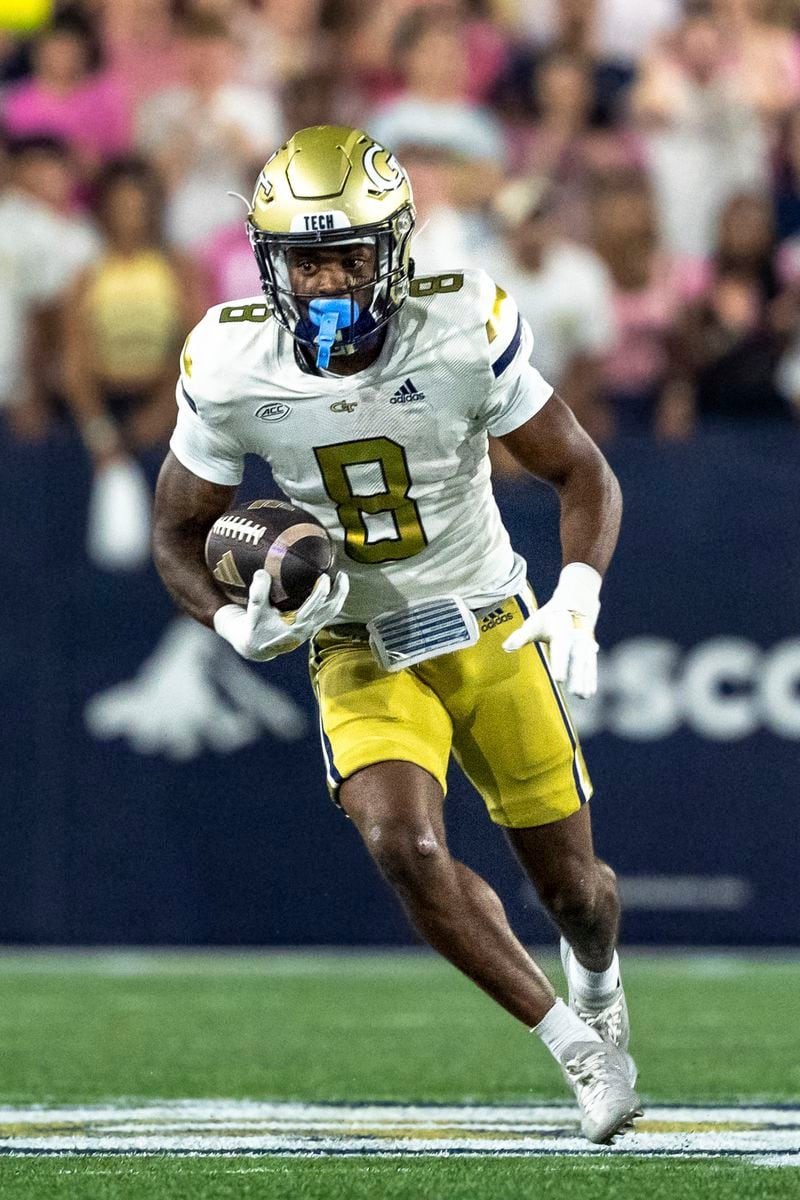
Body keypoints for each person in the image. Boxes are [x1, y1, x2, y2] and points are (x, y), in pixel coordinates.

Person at [152, 125, 639, 1145]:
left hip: (482, 623)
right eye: (305, 258)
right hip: (356, 640)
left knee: (575, 895)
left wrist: (579, 593)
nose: (327, 280)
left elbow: (580, 471)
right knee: (401, 842)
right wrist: (232, 620)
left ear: (397, 250)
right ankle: (572, 1046)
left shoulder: (460, 323)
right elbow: (178, 534)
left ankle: (596, 989)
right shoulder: (231, 356)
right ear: (268, 263)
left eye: (348, 255)